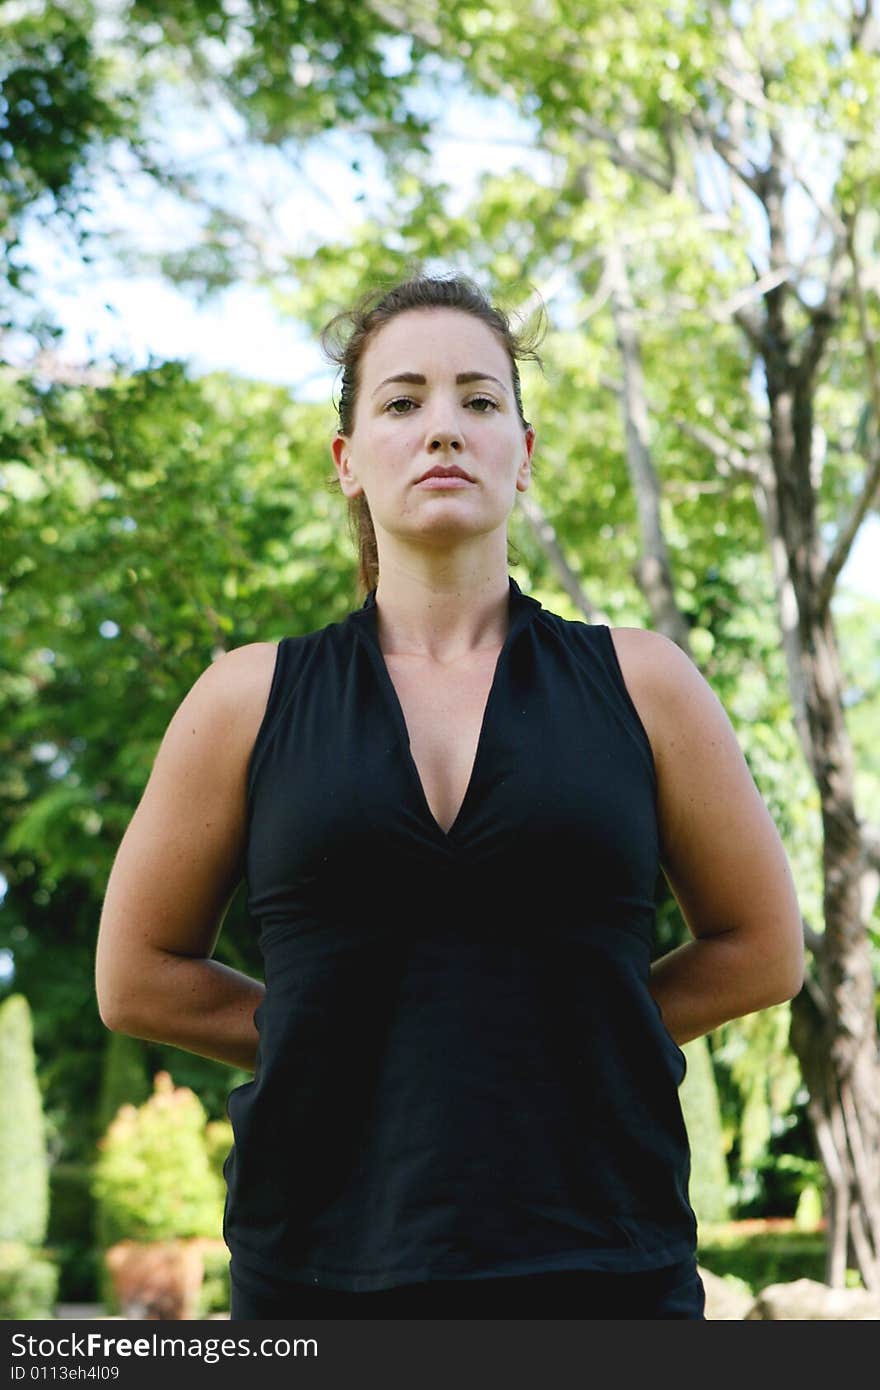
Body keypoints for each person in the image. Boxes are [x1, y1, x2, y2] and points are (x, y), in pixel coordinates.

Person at [95, 272, 805, 1321]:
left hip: (606, 1262)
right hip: (319, 1268)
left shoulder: (644, 682)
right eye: (402, 401)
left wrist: (571, 1027)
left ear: (523, 456)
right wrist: (344, 1032)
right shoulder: (245, 697)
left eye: (478, 401)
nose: (443, 429)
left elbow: (763, 948)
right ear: (348, 462)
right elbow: (136, 979)